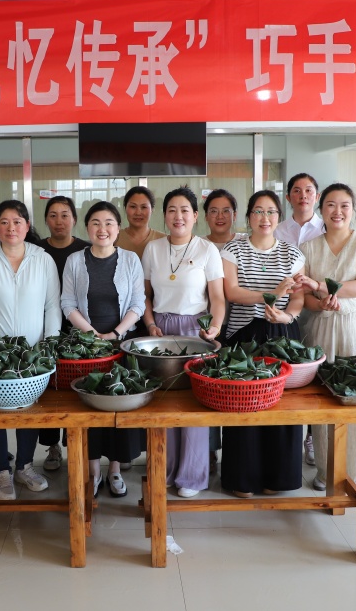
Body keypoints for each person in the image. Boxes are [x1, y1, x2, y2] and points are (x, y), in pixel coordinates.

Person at [0, 200, 62, 501]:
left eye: (17, 221)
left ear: (27, 226)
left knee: (28, 409)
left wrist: (49, 344)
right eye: (4, 222)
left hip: (32, 352)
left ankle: (25, 467)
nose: (11, 228)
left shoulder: (43, 260)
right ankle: (1, 471)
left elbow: (52, 306)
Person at [293, 183, 356, 492]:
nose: (338, 211)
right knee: (322, 397)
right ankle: (325, 468)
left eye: (345, 205)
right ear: (321, 210)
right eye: (331, 205)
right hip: (320, 324)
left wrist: (321, 286)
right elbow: (303, 296)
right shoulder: (308, 248)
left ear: (353, 210)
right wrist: (320, 301)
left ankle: (354, 470)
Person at [142, 186, 226, 498]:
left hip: (195, 331)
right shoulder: (153, 249)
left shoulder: (207, 250)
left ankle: (191, 475)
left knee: (193, 404)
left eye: (184, 210)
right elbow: (144, 296)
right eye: (172, 210)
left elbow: (217, 297)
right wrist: (150, 323)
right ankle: (164, 468)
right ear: (164, 216)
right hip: (160, 331)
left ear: (195, 216)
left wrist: (214, 327)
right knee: (162, 402)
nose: (178, 216)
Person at [220, 190, 305, 497]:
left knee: (283, 407)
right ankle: (242, 479)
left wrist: (287, 316)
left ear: (279, 217)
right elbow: (232, 292)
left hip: (282, 335)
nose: (264, 218)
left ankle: (278, 478)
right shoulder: (233, 249)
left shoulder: (292, 254)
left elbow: (298, 298)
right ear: (248, 217)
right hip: (244, 336)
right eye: (258, 211)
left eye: (270, 212)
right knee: (244, 406)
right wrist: (270, 296)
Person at [61, 201, 146, 498]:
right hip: (86, 349)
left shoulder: (131, 259)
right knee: (88, 409)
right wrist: (92, 335)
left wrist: (115, 333)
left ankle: (115, 470)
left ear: (118, 228)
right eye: (95, 222)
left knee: (118, 406)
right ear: (87, 227)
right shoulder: (74, 260)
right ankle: (94, 470)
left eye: (109, 222)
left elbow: (138, 303)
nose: (102, 229)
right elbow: (67, 303)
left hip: (121, 346)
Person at [38, 195, 91, 471]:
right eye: (53, 215)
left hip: (79, 326)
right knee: (50, 388)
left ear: (74, 219)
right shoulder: (36, 250)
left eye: (65, 215)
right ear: (46, 220)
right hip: (43, 326)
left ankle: (77, 444)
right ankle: (52, 447)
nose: (59, 221)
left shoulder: (86, 250)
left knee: (76, 387)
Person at [275, 173, 324, 466]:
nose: (303, 195)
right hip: (286, 313)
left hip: (318, 310)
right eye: (296, 190)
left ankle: (313, 439)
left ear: (316, 196)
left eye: (308, 190)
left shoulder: (327, 228)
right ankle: (292, 439)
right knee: (293, 377)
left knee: (315, 377)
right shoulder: (278, 229)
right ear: (288, 197)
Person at [202, 188, 245, 472]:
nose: (220, 216)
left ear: (235, 215)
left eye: (226, 211)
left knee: (234, 391)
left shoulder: (245, 243)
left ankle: (235, 452)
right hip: (206, 329)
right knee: (208, 389)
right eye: (214, 211)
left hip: (240, 326)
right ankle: (208, 450)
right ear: (204, 216)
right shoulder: (197, 245)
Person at [115, 185, 166, 259]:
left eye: (144, 207)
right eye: (133, 207)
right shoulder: (114, 238)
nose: (138, 212)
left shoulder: (164, 240)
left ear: (152, 209)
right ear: (125, 208)